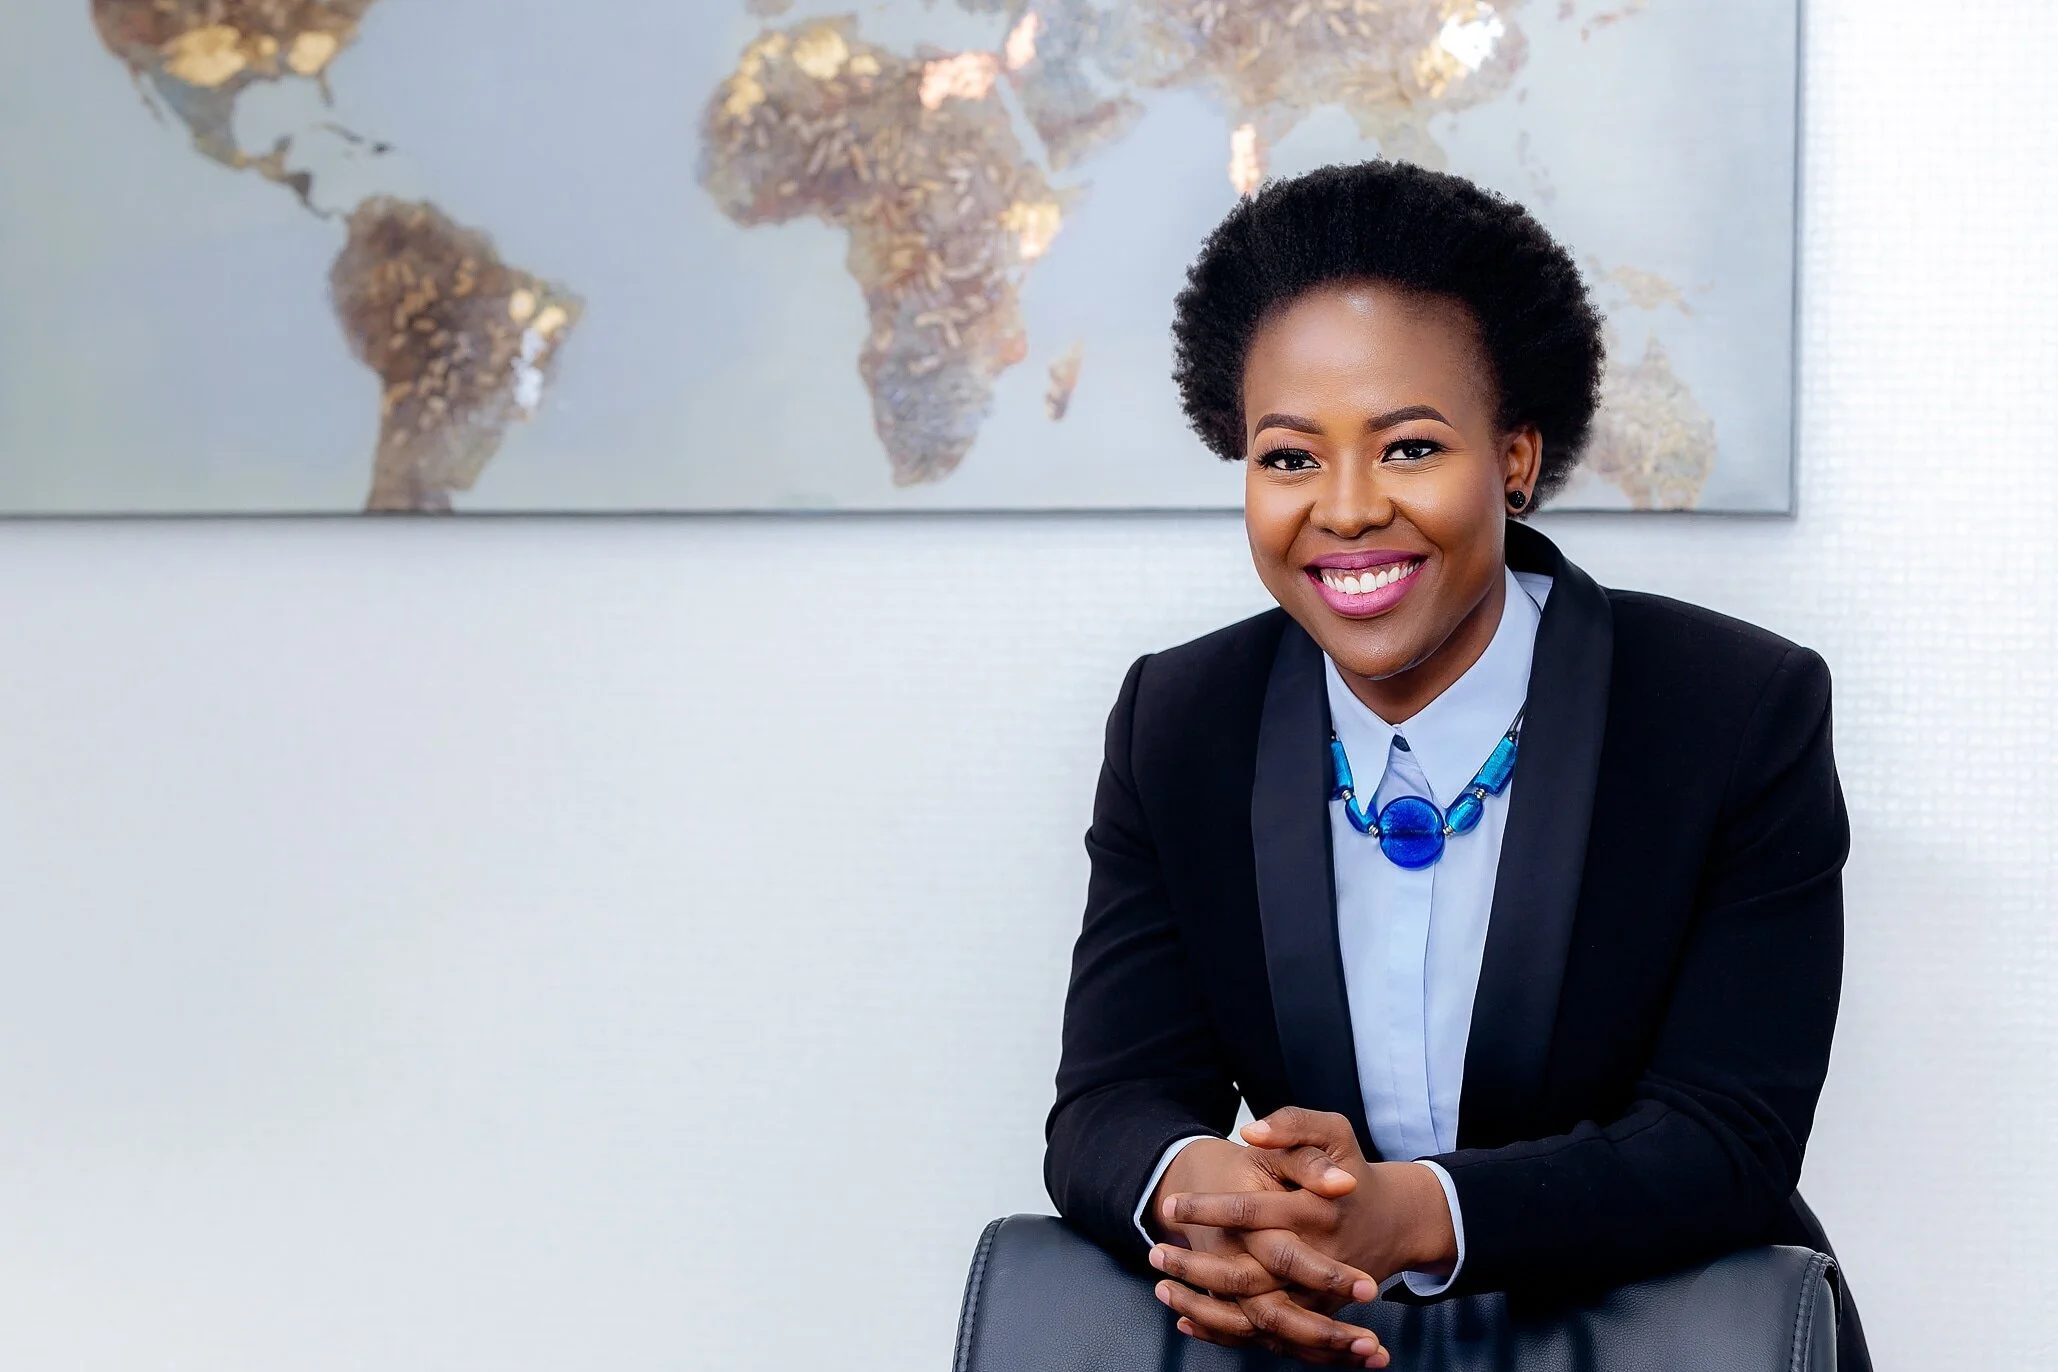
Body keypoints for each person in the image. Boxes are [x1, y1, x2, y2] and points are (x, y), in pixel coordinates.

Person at [1043, 161, 1868, 1372]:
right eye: (1288, 458)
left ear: (1517, 457)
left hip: (1659, 1331)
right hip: (1321, 1339)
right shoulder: (1182, 718)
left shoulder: (1732, 709)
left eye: (1410, 445)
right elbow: (1108, 1104)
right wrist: (1210, 1193)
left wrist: (1417, 1211)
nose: (1347, 508)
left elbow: (1725, 1135)